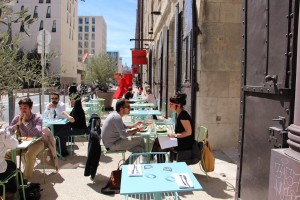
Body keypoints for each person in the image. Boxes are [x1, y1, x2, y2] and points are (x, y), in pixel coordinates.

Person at [5, 97, 44, 182]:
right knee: (7, 154)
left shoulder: (37, 118)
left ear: (30, 108)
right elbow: (7, 131)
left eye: (25, 108)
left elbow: (37, 133)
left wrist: (25, 123)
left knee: (29, 155)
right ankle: (14, 174)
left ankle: (25, 178)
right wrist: (17, 124)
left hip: (37, 142)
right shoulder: (17, 117)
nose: (22, 110)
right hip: (23, 142)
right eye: (21, 108)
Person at [101, 99, 146, 163]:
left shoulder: (115, 114)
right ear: (121, 109)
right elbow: (124, 135)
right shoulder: (117, 117)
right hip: (112, 145)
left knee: (139, 149)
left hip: (113, 142)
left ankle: (125, 166)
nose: (130, 108)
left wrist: (134, 125)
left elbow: (124, 127)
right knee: (140, 140)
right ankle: (147, 159)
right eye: (128, 107)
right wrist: (138, 129)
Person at [151, 92, 194, 157]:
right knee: (158, 140)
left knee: (160, 148)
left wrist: (174, 135)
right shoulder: (178, 113)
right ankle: (151, 158)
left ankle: (151, 159)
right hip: (178, 140)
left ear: (179, 105)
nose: (169, 105)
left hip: (184, 143)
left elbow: (189, 132)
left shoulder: (183, 115)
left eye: (171, 104)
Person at [43, 92, 70, 156]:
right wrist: (48, 109)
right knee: (45, 133)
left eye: (55, 98)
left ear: (58, 99)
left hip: (60, 124)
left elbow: (62, 116)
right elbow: (44, 116)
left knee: (60, 134)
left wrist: (56, 108)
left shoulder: (62, 105)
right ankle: (51, 151)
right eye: (52, 98)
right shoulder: (48, 105)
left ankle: (61, 151)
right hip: (51, 124)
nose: (54, 100)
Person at [0, 128, 19, 198]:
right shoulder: (2, 133)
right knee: (12, 166)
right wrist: (11, 134)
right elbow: (14, 144)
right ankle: (10, 193)